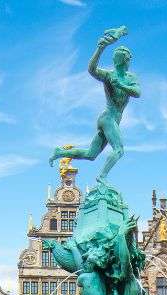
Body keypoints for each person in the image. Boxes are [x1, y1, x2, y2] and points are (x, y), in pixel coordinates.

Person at [48, 26, 141, 183]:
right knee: (119, 150)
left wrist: (120, 85)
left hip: (111, 119)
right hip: (108, 118)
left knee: (91, 154)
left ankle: (59, 152)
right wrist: (100, 48)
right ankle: (102, 176)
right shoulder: (108, 75)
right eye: (129, 59)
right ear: (125, 60)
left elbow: (137, 92)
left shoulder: (130, 78)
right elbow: (91, 69)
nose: (130, 62)